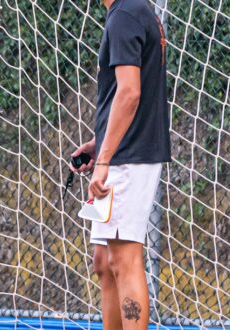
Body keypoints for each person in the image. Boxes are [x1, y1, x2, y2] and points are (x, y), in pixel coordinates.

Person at [70, 0, 170, 329]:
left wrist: (104, 159)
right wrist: (100, 143)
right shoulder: (129, 12)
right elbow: (126, 95)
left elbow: (130, 93)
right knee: (104, 260)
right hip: (119, 153)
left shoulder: (125, 14)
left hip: (127, 159)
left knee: (124, 259)